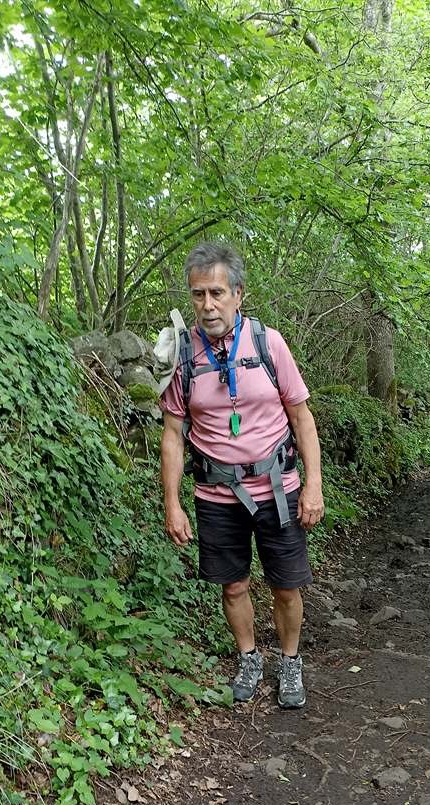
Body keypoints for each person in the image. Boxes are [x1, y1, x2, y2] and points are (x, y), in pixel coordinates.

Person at [160, 242, 324, 708]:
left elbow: (302, 418)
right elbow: (173, 434)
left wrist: (312, 486)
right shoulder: (180, 356)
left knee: (286, 584)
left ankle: (290, 663)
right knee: (233, 584)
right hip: (216, 495)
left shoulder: (268, 343)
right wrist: (172, 503)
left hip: (277, 488)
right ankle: (249, 657)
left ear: (238, 294)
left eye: (216, 292)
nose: (207, 305)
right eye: (197, 294)